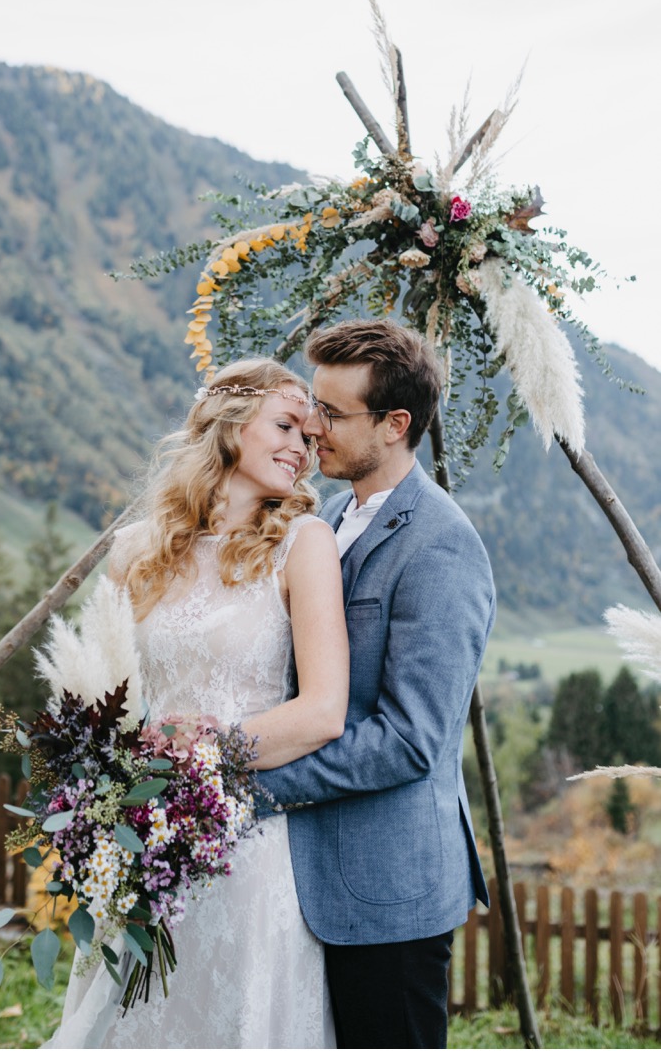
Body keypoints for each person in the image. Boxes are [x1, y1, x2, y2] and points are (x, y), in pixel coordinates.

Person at [47, 357, 349, 1048]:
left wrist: (203, 752)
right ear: (228, 423)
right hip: (143, 840)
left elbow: (324, 711)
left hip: (248, 845)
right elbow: (96, 703)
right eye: (285, 426)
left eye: (307, 438)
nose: (300, 450)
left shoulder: (305, 545)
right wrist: (107, 793)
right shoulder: (133, 551)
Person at [255, 319, 493, 1048]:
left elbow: (410, 740)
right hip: (314, 877)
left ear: (395, 425)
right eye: (313, 407)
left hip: (388, 889)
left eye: (333, 413)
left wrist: (253, 783)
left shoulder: (441, 546)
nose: (313, 429)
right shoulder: (333, 515)